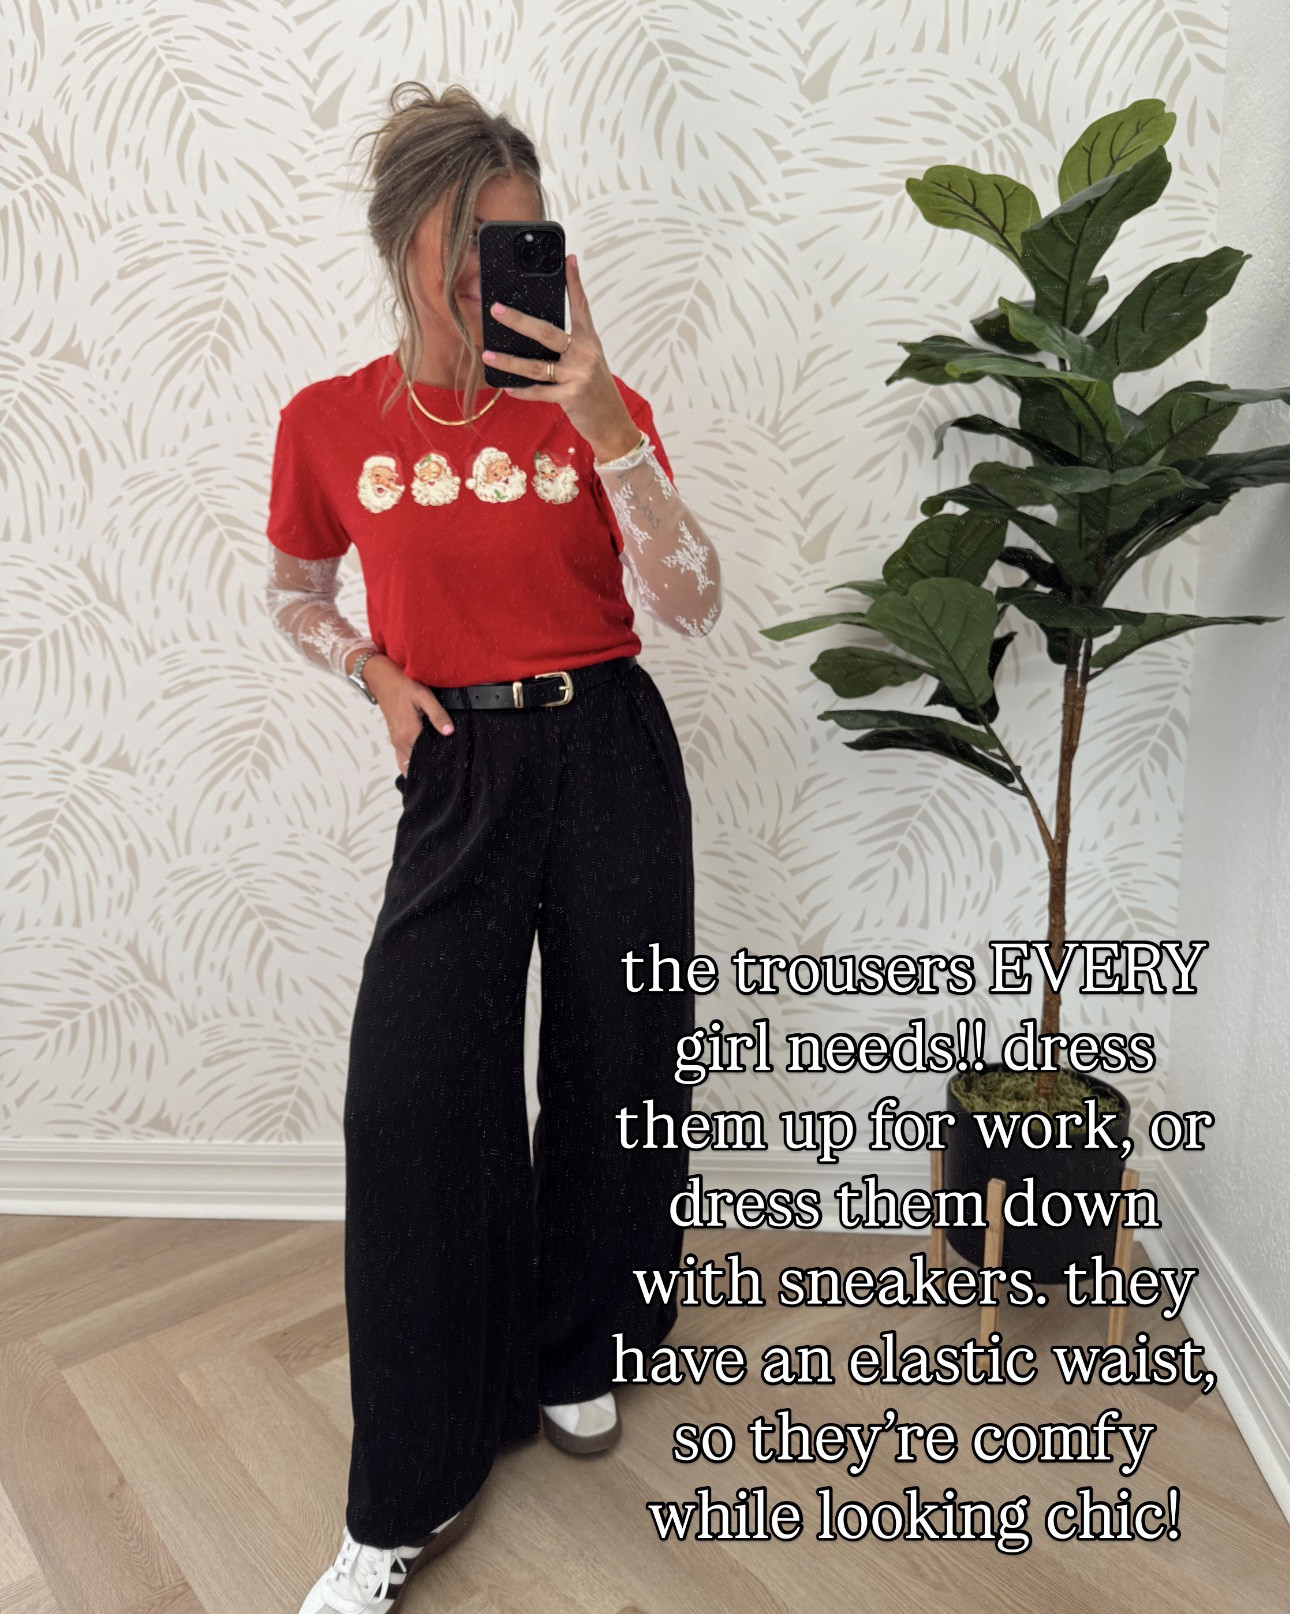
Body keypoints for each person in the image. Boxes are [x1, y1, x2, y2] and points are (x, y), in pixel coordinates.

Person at [264, 82, 723, 1614]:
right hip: (455, 762)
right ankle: (403, 1489)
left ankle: (581, 1338)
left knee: (616, 1058)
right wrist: (370, 672)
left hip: (607, 747)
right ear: (404, 244)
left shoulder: (597, 403)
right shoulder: (328, 421)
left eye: (522, 243)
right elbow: (292, 592)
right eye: (467, 245)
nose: (491, 276)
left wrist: (605, 425)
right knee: (410, 1102)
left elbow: (693, 598)